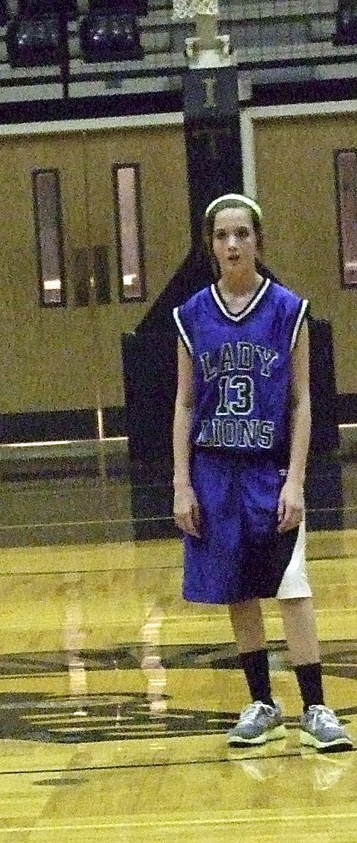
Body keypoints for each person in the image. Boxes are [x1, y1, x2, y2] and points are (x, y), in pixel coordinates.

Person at [172, 193, 352, 753]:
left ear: (259, 242)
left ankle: (316, 707)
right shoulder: (191, 315)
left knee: (292, 587)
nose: (232, 244)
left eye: (242, 234)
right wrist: (181, 481)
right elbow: (183, 403)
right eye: (222, 235)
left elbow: (302, 401)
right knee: (237, 587)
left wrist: (296, 479)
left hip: (269, 468)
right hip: (213, 467)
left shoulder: (287, 309)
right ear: (211, 246)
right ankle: (262, 703)